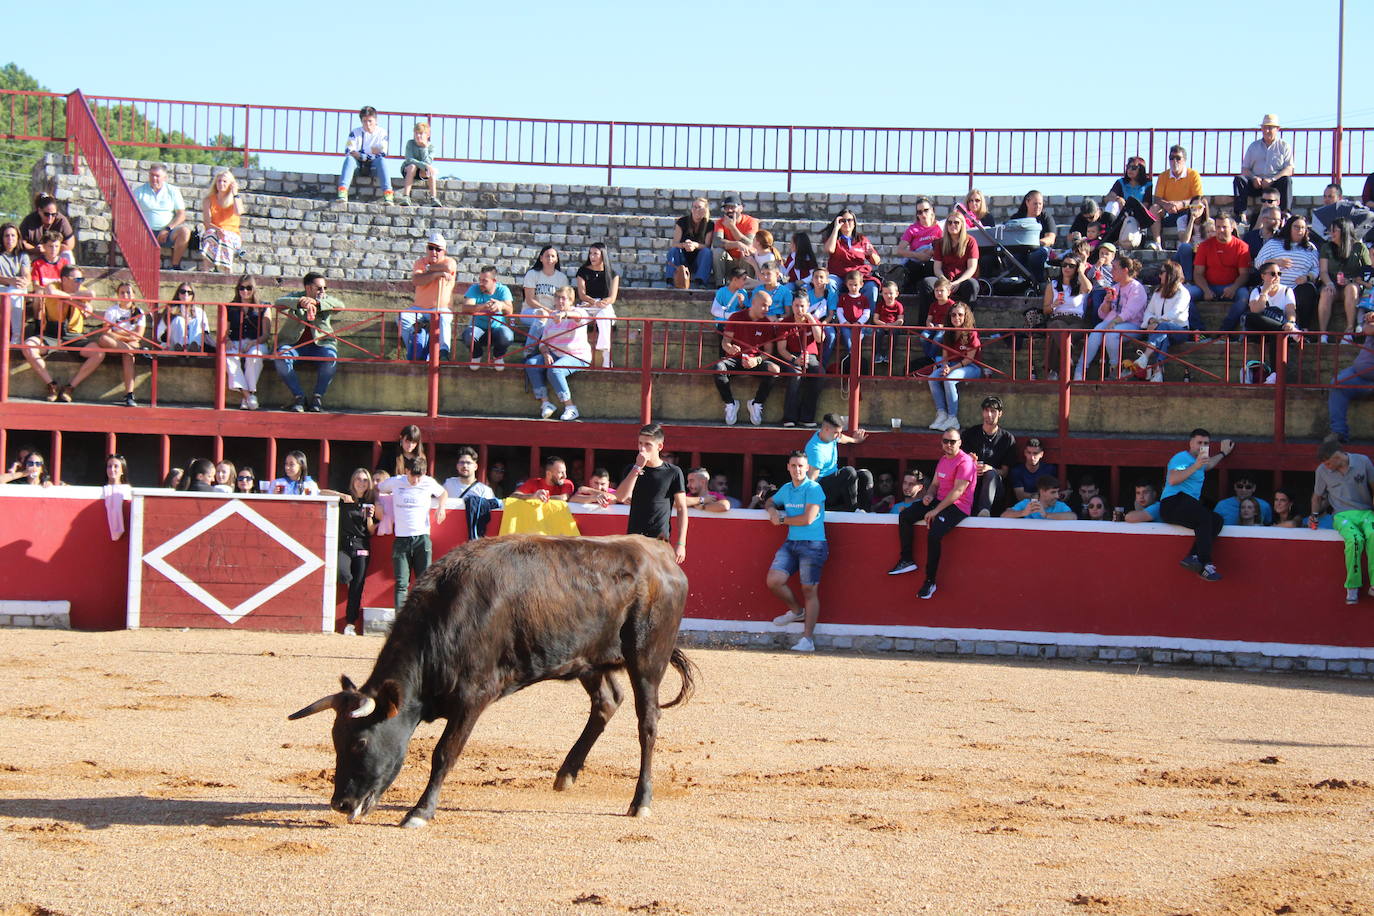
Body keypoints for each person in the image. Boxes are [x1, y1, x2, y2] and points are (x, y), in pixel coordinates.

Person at [766, 450, 828, 652]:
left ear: (807, 467)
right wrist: (772, 510)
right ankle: (796, 611)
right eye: (793, 466)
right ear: (788, 467)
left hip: (813, 544)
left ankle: (807, 639)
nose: (797, 469)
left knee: (809, 590)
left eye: (801, 466)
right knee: (774, 581)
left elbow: (808, 519)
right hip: (792, 542)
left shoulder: (814, 488)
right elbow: (771, 501)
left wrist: (781, 519)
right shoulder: (786, 488)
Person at [908, 425, 977, 599]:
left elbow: (958, 491)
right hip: (939, 501)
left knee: (934, 533)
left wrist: (936, 511)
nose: (948, 444)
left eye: (952, 441)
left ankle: (930, 581)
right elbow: (935, 485)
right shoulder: (943, 460)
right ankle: (906, 559)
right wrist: (929, 496)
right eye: (945, 441)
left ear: (959, 443)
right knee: (906, 515)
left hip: (958, 506)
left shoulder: (965, 461)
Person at [1159, 428, 1235, 582]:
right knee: (1204, 516)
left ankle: (1193, 557)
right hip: (1173, 502)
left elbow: (1208, 465)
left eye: (1206, 443)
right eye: (1199, 442)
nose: (1202, 446)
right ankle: (1206, 563)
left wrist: (1223, 453)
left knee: (1216, 520)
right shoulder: (1182, 458)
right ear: (1191, 443)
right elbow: (1173, 479)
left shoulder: (1200, 462)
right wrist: (1196, 465)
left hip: (1187, 505)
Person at [378, 454, 449, 612]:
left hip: (421, 537)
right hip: (402, 538)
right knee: (402, 583)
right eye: (413, 476)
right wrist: (378, 502)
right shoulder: (397, 481)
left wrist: (441, 508)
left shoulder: (428, 482)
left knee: (424, 583)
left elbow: (443, 493)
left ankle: (420, 621)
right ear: (406, 471)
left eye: (420, 477)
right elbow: (380, 488)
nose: (416, 481)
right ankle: (400, 623)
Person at [21, 261, 99, 403]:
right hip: (51, 332)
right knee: (28, 346)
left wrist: (79, 301)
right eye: (77, 279)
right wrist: (76, 301)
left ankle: (70, 387)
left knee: (99, 353)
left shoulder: (81, 289)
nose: (80, 283)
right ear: (64, 279)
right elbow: (51, 292)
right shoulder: (54, 285)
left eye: (81, 280)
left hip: (74, 334)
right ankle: (52, 385)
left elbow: (91, 294)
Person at [1312, 439, 1374, 604]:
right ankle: (1352, 586)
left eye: (1327, 462)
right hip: (1341, 515)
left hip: (1366, 511)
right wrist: (1314, 515)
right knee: (1355, 540)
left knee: (1373, 535)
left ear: (1337, 457)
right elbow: (1317, 496)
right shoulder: (1322, 471)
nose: (1326, 466)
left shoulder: (1363, 461)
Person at [617, 423, 689, 563]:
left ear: (659, 447)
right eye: (640, 443)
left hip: (659, 541)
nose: (642, 449)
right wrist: (637, 467)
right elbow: (621, 496)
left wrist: (681, 544)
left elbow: (681, 508)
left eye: (648, 444)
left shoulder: (673, 472)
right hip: (633, 540)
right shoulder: (632, 470)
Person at [273, 272, 341, 412]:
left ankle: (317, 397)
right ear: (308, 288)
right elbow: (278, 302)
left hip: (320, 345)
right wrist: (298, 303)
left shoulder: (324, 298)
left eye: (324, 288)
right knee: (281, 357)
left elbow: (340, 305)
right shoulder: (297, 296)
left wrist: (317, 303)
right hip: (294, 345)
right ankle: (299, 397)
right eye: (319, 288)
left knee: (331, 358)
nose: (323, 291)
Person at [714, 287, 782, 426]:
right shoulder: (736, 317)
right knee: (718, 367)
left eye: (769, 306)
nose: (767, 309)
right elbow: (725, 342)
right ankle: (730, 404)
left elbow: (768, 351)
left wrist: (755, 360)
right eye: (764, 305)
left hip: (755, 360)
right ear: (754, 303)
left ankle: (757, 404)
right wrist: (730, 348)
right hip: (735, 359)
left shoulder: (767, 324)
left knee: (775, 370)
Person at [1075, 255, 1148, 380]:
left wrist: (1114, 322)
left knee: (1111, 334)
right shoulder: (1115, 287)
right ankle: (1080, 371)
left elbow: (1130, 312)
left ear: (1125, 270)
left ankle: (1115, 370)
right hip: (1113, 323)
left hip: (1133, 325)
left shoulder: (1137, 288)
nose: (1111, 271)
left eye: (1114, 268)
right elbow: (1102, 314)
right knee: (1096, 331)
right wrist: (1107, 302)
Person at [524, 286, 591, 421]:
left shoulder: (578, 311)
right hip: (555, 354)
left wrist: (564, 314)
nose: (560, 301)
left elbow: (580, 317)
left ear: (571, 300)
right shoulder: (551, 317)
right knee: (531, 364)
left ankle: (570, 407)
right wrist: (545, 353)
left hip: (576, 355)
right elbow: (543, 342)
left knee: (555, 370)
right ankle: (545, 403)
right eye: (557, 298)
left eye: (563, 298)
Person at [1189, 213, 1254, 334]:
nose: (1220, 230)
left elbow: (1244, 274)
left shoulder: (1242, 246)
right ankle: (1199, 331)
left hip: (1232, 286)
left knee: (1244, 296)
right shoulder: (1204, 246)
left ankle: (1225, 331)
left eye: (1224, 227)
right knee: (1185, 296)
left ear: (1232, 227)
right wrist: (1206, 290)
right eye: (1218, 227)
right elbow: (1197, 273)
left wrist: (1234, 287)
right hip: (1207, 286)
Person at [332, 468, 378, 635]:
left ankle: (350, 623)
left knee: (357, 586)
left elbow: (371, 531)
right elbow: (321, 492)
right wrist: (340, 495)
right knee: (344, 575)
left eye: (365, 480)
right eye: (358, 479)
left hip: (362, 545)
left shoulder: (370, 502)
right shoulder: (345, 498)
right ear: (353, 481)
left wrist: (370, 517)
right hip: (344, 545)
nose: (361, 482)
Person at [1256, 215, 1320, 331]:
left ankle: (1304, 328)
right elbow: (1258, 263)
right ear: (1289, 227)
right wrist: (1276, 262)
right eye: (1296, 227)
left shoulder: (1311, 248)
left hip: (1298, 288)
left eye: (1302, 228)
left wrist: (1307, 277)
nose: (1299, 230)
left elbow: (1316, 269)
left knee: (1309, 289)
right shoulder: (1273, 243)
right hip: (1275, 288)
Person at [1132, 261, 1192, 381]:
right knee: (1163, 337)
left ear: (1171, 274)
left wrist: (1156, 322)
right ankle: (1158, 373)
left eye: (1162, 273)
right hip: (1161, 330)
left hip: (1180, 331)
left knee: (1162, 327)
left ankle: (1146, 356)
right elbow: (1149, 311)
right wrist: (1151, 320)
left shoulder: (1183, 293)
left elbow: (1175, 313)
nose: (1159, 276)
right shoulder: (1158, 292)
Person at [402, 231, 457, 360]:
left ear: (444, 251)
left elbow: (448, 267)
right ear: (427, 249)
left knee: (443, 318)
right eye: (431, 248)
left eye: (438, 249)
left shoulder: (450, 261)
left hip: (440, 308)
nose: (434, 252)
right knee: (402, 317)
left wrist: (428, 269)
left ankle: (444, 351)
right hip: (419, 308)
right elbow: (417, 280)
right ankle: (410, 346)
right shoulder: (420, 262)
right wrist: (437, 274)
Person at [925, 301, 980, 431]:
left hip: (972, 367)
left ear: (966, 316)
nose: (956, 318)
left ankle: (952, 418)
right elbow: (945, 356)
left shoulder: (972, 333)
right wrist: (944, 366)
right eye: (953, 315)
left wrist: (950, 369)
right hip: (952, 364)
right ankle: (942, 413)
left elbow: (969, 359)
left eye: (960, 315)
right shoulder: (948, 332)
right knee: (932, 378)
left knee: (949, 380)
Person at [918, 209, 979, 323]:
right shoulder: (940, 243)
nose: (953, 225)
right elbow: (937, 267)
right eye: (950, 223)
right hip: (944, 278)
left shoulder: (970, 241)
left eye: (956, 222)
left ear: (962, 224)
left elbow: (972, 268)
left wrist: (957, 282)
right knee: (926, 283)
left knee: (972, 285)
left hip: (962, 280)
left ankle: (968, 325)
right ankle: (924, 326)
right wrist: (944, 282)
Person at [959, 396, 1015, 517]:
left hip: (995, 490)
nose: (989, 414)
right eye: (986, 410)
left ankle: (984, 511)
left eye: (993, 411)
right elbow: (958, 462)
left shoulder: (1007, 439)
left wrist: (990, 469)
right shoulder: (970, 434)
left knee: (990, 474)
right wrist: (971, 464)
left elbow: (1005, 473)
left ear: (1000, 413)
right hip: (971, 482)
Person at [804, 413, 872, 512]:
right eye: (836, 432)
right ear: (826, 429)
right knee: (849, 472)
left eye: (840, 432)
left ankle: (866, 514)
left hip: (835, 484)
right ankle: (852, 510)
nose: (838, 435)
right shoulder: (816, 450)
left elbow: (842, 438)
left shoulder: (828, 435)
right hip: (823, 492)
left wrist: (856, 440)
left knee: (865, 475)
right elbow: (812, 480)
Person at [1318, 217, 1371, 341]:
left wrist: (1352, 280)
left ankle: (1349, 330)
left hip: (1353, 285)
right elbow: (1323, 271)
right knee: (1326, 292)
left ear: (1344, 231)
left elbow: (1367, 270)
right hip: (1333, 285)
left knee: (1351, 289)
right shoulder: (1327, 247)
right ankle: (1322, 333)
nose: (1331, 234)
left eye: (1334, 231)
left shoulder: (1359, 247)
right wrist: (1329, 283)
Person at [94, 281, 146, 408]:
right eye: (122, 292)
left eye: (128, 292)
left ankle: (129, 394)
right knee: (103, 339)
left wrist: (119, 333)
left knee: (128, 353)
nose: (125, 295)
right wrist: (126, 336)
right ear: (118, 295)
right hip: (117, 343)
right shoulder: (112, 310)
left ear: (133, 295)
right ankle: (141, 352)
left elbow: (138, 335)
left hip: (128, 344)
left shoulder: (139, 311)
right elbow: (107, 332)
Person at [1234, 114, 1293, 222]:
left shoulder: (1284, 146)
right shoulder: (1253, 146)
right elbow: (1245, 169)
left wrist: (1272, 179)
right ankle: (1240, 213)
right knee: (1239, 179)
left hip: (1274, 185)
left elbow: (1289, 169)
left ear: (1277, 129)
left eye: (1270, 128)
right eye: (1264, 128)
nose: (1267, 131)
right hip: (1257, 183)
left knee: (1287, 180)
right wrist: (1253, 178)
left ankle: (1285, 213)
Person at [132, 164, 192, 269]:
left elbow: (181, 215)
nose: (154, 178)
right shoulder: (139, 191)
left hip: (168, 232)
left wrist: (167, 229)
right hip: (145, 232)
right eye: (151, 175)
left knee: (185, 231)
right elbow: (130, 212)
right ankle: (140, 265)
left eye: (157, 176)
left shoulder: (172, 191)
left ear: (164, 177)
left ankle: (175, 265)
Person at [777, 293, 823, 428]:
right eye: (796, 306)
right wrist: (794, 360)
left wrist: (812, 321)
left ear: (808, 306)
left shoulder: (813, 319)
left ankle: (807, 418)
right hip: (791, 356)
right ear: (792, 306)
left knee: (819, 372)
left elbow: (820, 339)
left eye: (802, 306)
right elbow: (781, 349)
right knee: (795, 374)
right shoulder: (786, 322)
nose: (799, 309)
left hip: (810, 356)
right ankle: (789, 417)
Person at [224, 275, 270, 410]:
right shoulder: (230, 307)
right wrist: (227, 340)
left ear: (254, 289)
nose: (245, 291)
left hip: (257, 342)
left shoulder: (263, 307)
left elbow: (266, 334)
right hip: (236, 341)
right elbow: (226, 331)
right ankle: (248, 396)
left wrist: (254, 342)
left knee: (254, 356)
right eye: (241, 288)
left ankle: (247, 396)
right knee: (230, 356)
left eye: (248, 288)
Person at [820, 209, 881, 306]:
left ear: (854, 222)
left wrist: (871, 254)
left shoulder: (861, 239)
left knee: (872, 287)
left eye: (850, 220)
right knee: (830, 283)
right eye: (843, 220)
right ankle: (833, 315)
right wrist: (836, 228)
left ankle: (869, 317)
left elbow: (877, 262)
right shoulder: (834, 238)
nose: (847, 223)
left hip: (858, 276)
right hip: (838, 275)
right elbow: (829, 249)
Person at [1041, 255, 1090, 377]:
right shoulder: (1052, 285)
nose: (1067, 268)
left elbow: (1089, 288)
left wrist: (1081, 272)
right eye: (1064, 265)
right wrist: (1054, 305)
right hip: (1058, 318)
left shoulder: (1080, 285)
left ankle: (1053, 371)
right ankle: (1068, 357)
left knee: (1059, 336)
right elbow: (1045, 310)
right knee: (1059, 328)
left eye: (1071, 266)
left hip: (1076, 320)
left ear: (1076, 268)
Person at [460, 266, 516, 368]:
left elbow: (510, 310)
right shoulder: (474, 288)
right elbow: (465, 308)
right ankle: (476, 355)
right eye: (480, 280)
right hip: (478, 328)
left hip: (497, 329)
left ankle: (498, 356)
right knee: (468, 335)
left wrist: (501, 305)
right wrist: (484, 306)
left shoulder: (503, 289)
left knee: (507, 336)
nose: (481, 283)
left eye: (484, 281)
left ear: (494, 281)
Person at [575, 242, 619, 368]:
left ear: (603, 255)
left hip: (603, 306)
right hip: (587, 304)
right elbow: (582, 294)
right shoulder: (583, 271)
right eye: (590, 253)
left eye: (595, 254)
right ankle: (579, 355)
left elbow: (612, 297)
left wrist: (602, 303)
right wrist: (593, 302)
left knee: (604, 316)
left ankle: (606, 357)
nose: (592, 256)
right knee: (579, 317)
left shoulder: (613, 274)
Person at [1150, 146, 1203, 251]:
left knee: (1198, 208)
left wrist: (1181, 204)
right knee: (1154, 208)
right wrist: (1167, 205)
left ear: (1184, 160)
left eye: (1178, 158)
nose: (1174, 161)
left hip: (1186, 211)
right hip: (1168, 212)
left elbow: (1197, 197)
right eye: (1171, 158)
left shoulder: (1193, 175)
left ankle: (1190, 243)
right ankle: (1157, 243)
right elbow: (1157, 198)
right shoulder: (1163, 176)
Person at [337, 106, 392, 204]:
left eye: (370, 121)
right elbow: (349, 151)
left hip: (374, 167)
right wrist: (372, 151)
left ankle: (388, 194)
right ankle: (342, 191)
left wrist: (361, 155)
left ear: (376, 120)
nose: (367, 124)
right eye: (364, 121)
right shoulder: (355, 132)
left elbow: (382, 153)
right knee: (349, 159)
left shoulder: (382, 133)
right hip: (358, 166)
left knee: (382, 161)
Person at [1004, 190, 1056, 285]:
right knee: (1012, 257)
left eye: (1040, 204)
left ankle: (1038, 283)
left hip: (1039, 249)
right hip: (1019, 250)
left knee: (1036, 255)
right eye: (1035, 203)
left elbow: (1050, 238)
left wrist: (1033, 244)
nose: (1038, 206)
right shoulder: (1016, 218)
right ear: (1027, 202)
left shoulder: (1046, 218)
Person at [521, 245, 570, 341]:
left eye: (553, 256)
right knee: (542, 316)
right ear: (541, 258)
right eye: (547, 256)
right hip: (530, 312)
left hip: (553, 313)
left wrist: (553, 313)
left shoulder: (562, 278)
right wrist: (547, 311)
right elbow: (530, 300)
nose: (550, 259)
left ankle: (541, 351)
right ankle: (529, 350)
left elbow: (564, 300)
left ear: (556, 260)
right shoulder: (532, 274)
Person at [891, 197, 941, 292]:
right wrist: (918, 255)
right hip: (916, 264)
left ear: (932, 210)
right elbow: (900, 250)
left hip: (933, 263)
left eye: (926, 210)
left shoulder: (939, 228)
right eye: (919, 212)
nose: (923, 214)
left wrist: (931, 252)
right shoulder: (913, 229)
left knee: (931, 266)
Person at [199, 169, 243, 273]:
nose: (221, 184)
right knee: (210, 234)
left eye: (224, 181)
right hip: (214, 231)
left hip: (233, 235)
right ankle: (206, 269)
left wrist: (235, 193)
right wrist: (218, 230)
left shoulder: (235, 199)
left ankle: (227, 270)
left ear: (230, 184)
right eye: (219, 181)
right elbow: (207, 223)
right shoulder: (208, 200)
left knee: (225, 238)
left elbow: (238, 212)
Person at [665, 197, 715, 288]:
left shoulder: (710, 224)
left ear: (705, 209)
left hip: (698, 260)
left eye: (699, 207)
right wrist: (685, 245)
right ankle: (670, 280)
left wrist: (695, 245)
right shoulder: (682, 222)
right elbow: (675, 243)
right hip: (683, 258)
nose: (696, 210)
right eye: (694, 207)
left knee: (707, 252)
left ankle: (701, 282)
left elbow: (707, 245)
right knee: (673, 250)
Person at [1244, 260, 1299, 335]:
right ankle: (1287, 332)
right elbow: (1256, 311)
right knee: (1250, 317)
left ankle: (1284, 331)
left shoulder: (1287, 290)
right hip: (1263, 330)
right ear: (1263, 276)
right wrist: (1264, 292)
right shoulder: (1257, 291)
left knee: (1277, 334)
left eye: (1279, 274)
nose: (1277, 277)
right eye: (1273, 274)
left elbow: (1290, 311)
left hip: (1281, 324)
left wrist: (1290, 323)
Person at [713, 195, 758, 283]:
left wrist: (732, 228)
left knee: (746, 252)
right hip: (729, 261)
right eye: (726, 208)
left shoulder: (751, 222)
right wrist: (736, 244)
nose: (729, 210)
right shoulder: (720, 222)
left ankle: (747, 285)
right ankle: (719, 285)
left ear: (741, 208)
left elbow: (748, 243)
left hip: (745, 261)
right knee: (717, 251)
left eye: (732, 207)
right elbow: (716, 242)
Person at [0, 223, 31, 345]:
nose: (10, 239)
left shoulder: (23, 255)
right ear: (2, 238)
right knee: (13, 291)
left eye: (13, 235)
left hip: (16, 290)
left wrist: (25, 281)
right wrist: (10, 280)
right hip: (2, 289)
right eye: (6, 236)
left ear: (18, 238)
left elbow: (26, 273)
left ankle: (16, 338)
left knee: (15, 292)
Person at [157, 283, 210, 353]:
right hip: (173, 344)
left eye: (189, 292)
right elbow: (159, 334)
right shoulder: (171, 310)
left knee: (196, 321)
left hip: (194, 345)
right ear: (178, 294)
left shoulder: (200, 312)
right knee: (179, 320)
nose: (186, 294)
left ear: (193, 295)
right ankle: (182, 347)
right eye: (183, 292)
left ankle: (194, 347)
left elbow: (206, 332)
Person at [398, 120, 439, 206]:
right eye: (416, 133)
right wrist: (425, 165)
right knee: (413, 166)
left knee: (431, 171)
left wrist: (424, 148)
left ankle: (433, 198)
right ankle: (406, 196)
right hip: (408, 169)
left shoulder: (431, 147)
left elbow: (428, 162)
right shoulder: (410, 143)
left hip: (422, 172)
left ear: (427, 135)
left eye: (420, 133)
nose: (418, 136)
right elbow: (409, 159)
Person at [1001, 476, 1076, 520]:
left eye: (1057, 492)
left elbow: (1073, 516)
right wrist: (1023, 512)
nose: (1057, 496)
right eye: (1053, 492)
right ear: (1042, 491)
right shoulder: (1027, 503)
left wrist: (1046, 515)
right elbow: (1004, 516)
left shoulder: (1060, 505)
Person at [513, 455, 577, 502]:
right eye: (560, 472)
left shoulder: (567, 483)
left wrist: (540, 498)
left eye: (565, 472)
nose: (565, 476)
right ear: (548, 474)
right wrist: (532, 496)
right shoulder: (533, 482)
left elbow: (563, 498)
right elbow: (514, 496)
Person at [870, 279, 904, 366]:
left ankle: (890, 354)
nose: (888, 296)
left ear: (896, 294)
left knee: (894, 333)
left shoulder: (898, 305)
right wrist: (884, 325)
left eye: (891, 293)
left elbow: (900, 320)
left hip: (894, 326)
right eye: (885, 293)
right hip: (882, 325)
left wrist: (891, 325)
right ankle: (878, 354)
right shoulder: (880, 305)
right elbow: (875, 319)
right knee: (877, 332)